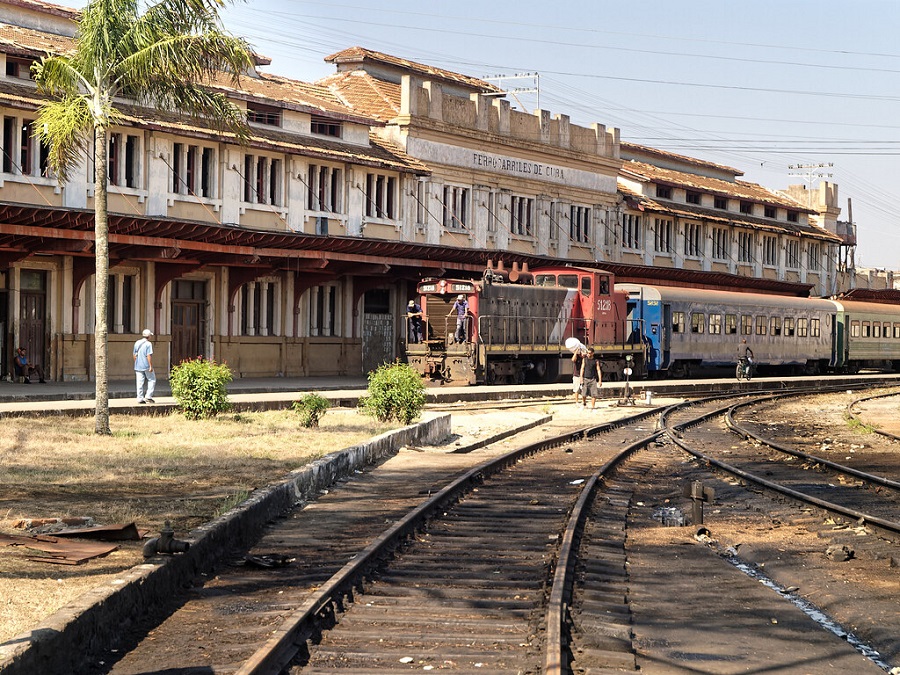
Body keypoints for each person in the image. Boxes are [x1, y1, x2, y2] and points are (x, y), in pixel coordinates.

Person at [133, 328, 156, 404]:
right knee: (152, 379)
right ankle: (148, 396)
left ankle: (139, 398)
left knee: (139, 382)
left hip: (138, 366)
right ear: (149, 336)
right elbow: (148, 355)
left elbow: (134, 355)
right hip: (146, 365)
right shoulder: (148, 344)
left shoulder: (137, 342)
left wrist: (136, 363)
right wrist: (150, 366)